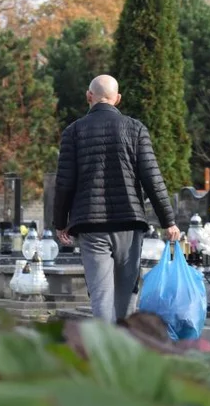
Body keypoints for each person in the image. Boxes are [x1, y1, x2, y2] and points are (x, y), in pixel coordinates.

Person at [53, 75, 182, 323]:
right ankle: (124, 351)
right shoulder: (135, 129)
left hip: (92, 226)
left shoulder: (73, 132)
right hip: (130, 224)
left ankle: (103, 354)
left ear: (88, 96)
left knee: (101, 296)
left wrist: (60, 222)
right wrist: (169, 221)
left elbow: (64, 182)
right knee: (127, 295)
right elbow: (152, 178)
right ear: (118, 99)